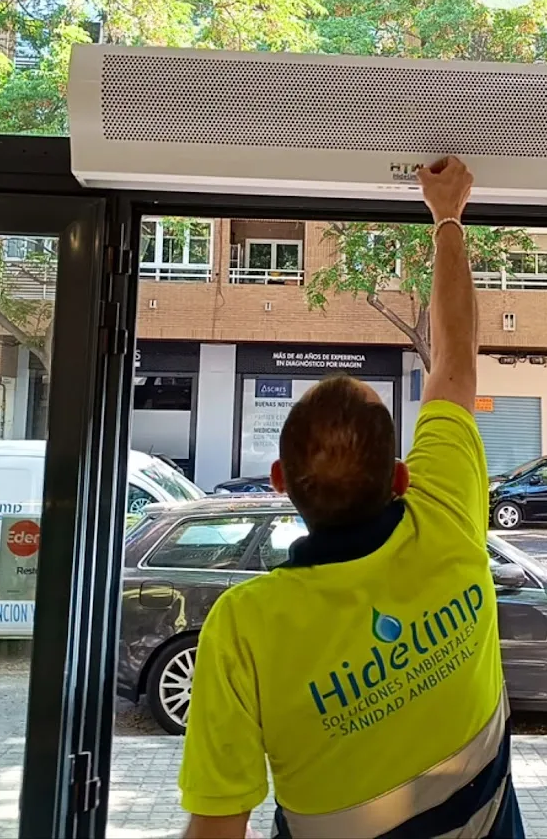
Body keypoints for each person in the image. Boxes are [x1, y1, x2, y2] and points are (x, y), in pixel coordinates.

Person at [179, 157, 524, 839]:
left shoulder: (244, 626)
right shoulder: (446, 519)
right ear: (399, 478)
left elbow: (217, 827)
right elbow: (456, 364)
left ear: (279, 481)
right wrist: (447, 216)